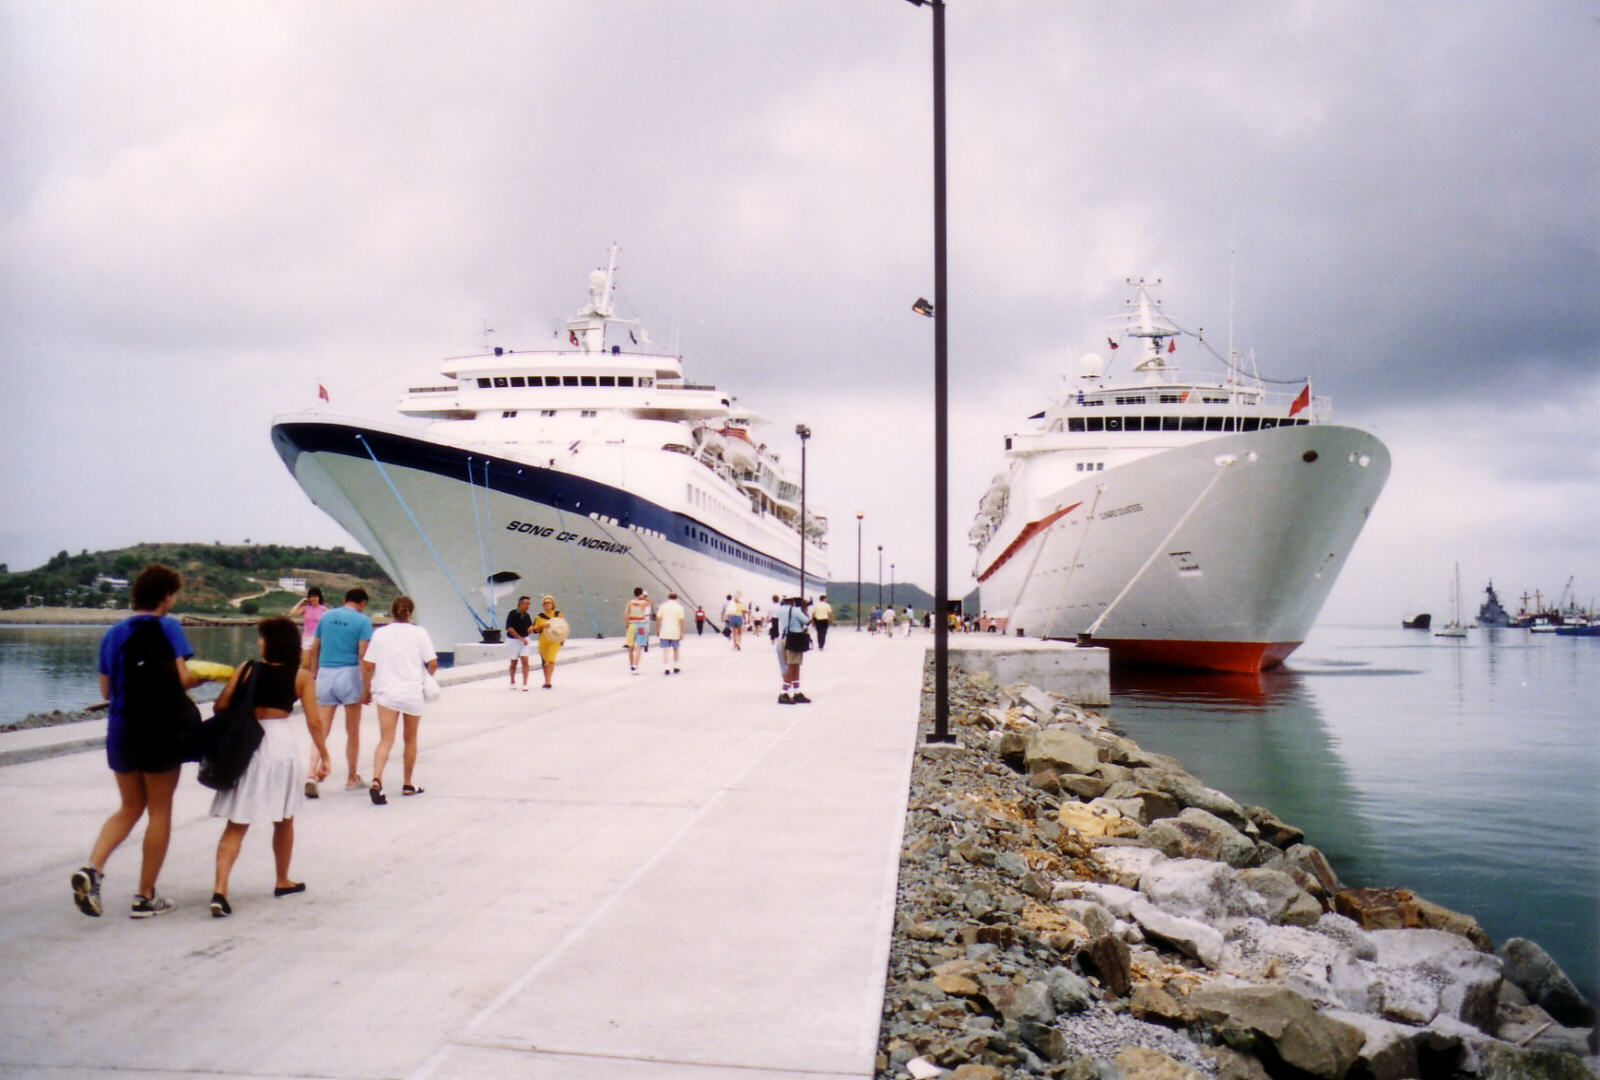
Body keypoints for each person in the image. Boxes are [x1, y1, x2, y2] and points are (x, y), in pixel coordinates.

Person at [72, 564, 202, 918]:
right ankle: (144, 896)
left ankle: (93, 870)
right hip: (161, 729)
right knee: (159, 809)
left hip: (121, 729)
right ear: (166, 595)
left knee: (129, 806)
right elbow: (184, 677)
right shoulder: (169, 626)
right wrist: (199, 680)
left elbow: (105, 689)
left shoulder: (113, 633)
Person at [207, 616, 330, 917]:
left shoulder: (247, 669)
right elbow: (315, 721)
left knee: (237, 822)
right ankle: (282, 879)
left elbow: (220, 706)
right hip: (279, 744)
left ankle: (220, 890)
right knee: (284, 817)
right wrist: (324, 755)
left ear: (272, 642)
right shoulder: (301, 676)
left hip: (247, 742)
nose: (259, 642)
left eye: (262, 637)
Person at [361, 596, 437, 804]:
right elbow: (432, 662)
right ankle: (407, 783)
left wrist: (366, 690)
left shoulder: (381, 634)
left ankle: (376, 779)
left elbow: (368, 665)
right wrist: (426, 680)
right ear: (411, 613)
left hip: (387, 693)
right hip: (412, 693)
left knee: (386, 739)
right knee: (410, 739)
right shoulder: (420, 633)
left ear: (392, 612)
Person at [304, 587, 373, 796]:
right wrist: (366, 688)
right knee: (352, 731)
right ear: (362, 603)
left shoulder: (326, 617)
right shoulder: (363, 621)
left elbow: (314, 648)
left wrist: (315, 673)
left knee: (321, 729)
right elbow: (363, 654)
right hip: (349, 673)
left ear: (345, 599)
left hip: (325, 672)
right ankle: (352, 777)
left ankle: (311, 773)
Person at [775, 596, 812, 705]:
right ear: (793, 600)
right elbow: (807, 621)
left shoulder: (780, 610)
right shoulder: (795, 610)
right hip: (794, 639)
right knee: (793, 666)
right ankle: (784, 692)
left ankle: (796, 691)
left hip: (783, 638)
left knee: (794, 666)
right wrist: (804, 609)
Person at [530, 595, 565, 688]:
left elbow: (562, 627)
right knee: (545, 661)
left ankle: (549, 681)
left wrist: (562, 639)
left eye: (548, 602)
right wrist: (542, 626)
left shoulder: (558, 614)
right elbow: (535, 629)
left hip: (554, 640)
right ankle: (546, 680)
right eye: (545, 603)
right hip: (544, 640)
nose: (546, 604)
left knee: (551, 659)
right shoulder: (539, 616)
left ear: (553, 604)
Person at [288, 585, 328, 656]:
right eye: (311, 597)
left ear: (319, 597)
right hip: (307, 637)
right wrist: (301, 602)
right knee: (306, 661)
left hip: (319, 637)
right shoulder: (306, 608)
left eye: (315, 597)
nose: (313, 599)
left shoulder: (324, 609)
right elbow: (293, 612)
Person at [506, 596, 534, 691]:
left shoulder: (527, 616)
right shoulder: (512, 613)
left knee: (525, 660)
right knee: (514, 662)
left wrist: (531, 629)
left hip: (524, 640)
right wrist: (520, 638)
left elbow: (529, 628)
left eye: (529, 604)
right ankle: (512, 681)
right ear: (520, 604)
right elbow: (510, 628)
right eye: (526, 604)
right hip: (513, 640)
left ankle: (525, 683)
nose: (528, 606)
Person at [656, 591, 686, 675]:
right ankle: (676, 667)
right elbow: (681, 621)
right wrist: (681, 632)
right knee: (676, 649)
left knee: (666, 650)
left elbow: (658, 619)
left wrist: (658, 629)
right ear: (676, 598)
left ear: (668, 597)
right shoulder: (679, 607)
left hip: (665, 631)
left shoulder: (663, 606)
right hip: (675, 631)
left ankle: (667, 668)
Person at [624, 587, 653, 673]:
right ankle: (635, 666)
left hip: (631, 625)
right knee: (639, 647)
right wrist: (644, 597)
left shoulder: (630, 602)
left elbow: (626, 614)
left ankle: (631, 665)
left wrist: (626, 624)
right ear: (641, 594)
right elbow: (650, 603)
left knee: (631, 647)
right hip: (641, 625)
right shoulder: (644, 603)